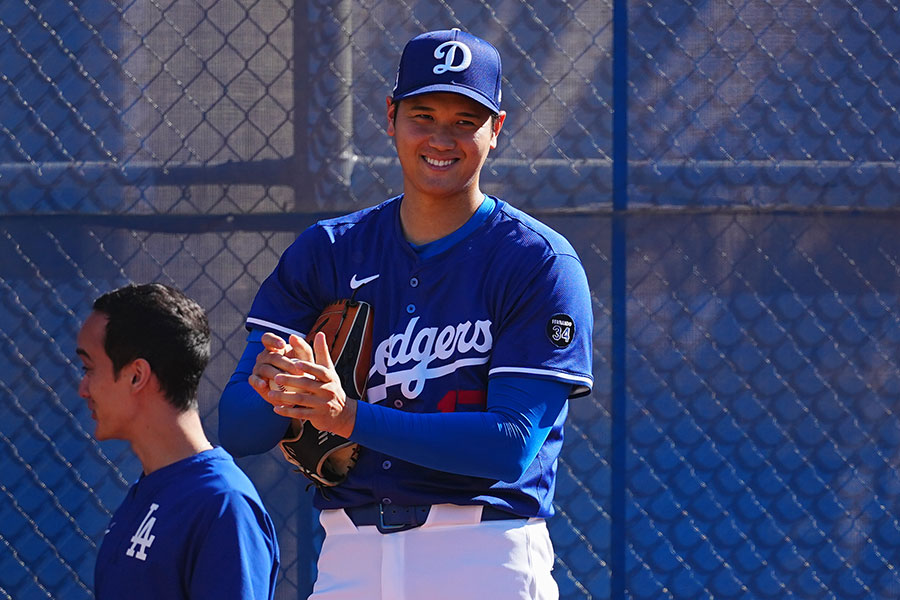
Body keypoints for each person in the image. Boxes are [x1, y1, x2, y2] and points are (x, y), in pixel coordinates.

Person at [219, 28, 593, 600]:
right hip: (350, 554)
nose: (442, 137)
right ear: (390, 116)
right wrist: (286, 389)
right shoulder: (329, 251)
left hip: (484, 555)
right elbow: (238, 427)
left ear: (497, 129)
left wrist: (348, 417)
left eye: (465, 121)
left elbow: (509, 443)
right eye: (424, 114)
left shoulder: (537, 261)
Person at [76, 283, 279, 600]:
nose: (83, 388)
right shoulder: (151, 488)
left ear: (136, 376)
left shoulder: (224, 504)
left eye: (89, 368)